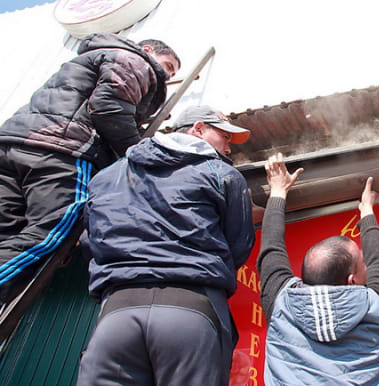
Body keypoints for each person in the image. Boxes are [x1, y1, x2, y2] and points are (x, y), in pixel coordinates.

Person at [77, 105, 255, 386]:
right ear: (198, 128)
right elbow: (239, 243)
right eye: (225, 137)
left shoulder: (106, 176)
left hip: (116, 313)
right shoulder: (221, 174)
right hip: (191, 308)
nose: (229, 148)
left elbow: (91, 240)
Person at [0, 33, 180, 303]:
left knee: (6, 234)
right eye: (168, 66)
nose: (167, 75)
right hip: (60, 150)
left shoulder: (88, 59)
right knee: (51, 234)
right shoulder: (134, 60)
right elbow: (109, 108)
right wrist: (137, 152)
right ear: (147, 50)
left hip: (13, 144)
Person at [259, 154, 379, 385]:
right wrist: (367, 211)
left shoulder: (281, 302)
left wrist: (278, 191)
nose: (367, 265)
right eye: (362, 263)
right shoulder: (377, 310)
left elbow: (271, 249)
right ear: (351, 281)